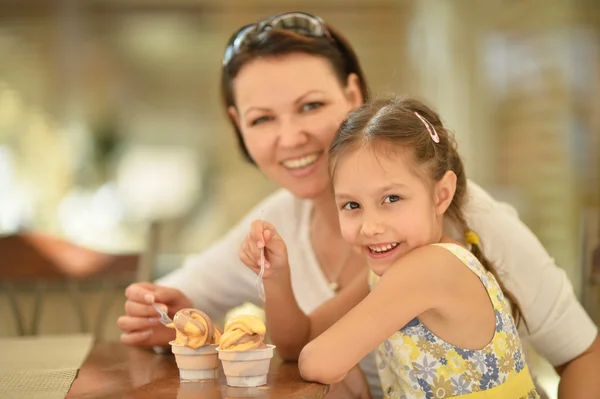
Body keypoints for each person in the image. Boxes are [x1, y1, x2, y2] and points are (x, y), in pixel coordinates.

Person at [117, 11, 600, 399]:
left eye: (310, 106)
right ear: (238, 125)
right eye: (263, 118)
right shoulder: (295, 228)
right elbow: (279, 332)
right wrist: (167, 312)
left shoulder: (462, 227)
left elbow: (583, 354)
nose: (291, 136)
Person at [253, 95, 539, 397]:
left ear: (441, 195)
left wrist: (344, 367)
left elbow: (316, 362)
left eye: (391, 199)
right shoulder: (393, 272)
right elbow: (297, 346)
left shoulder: (429, 269)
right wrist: (275, 276)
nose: (370, 226)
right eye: (352, 204)